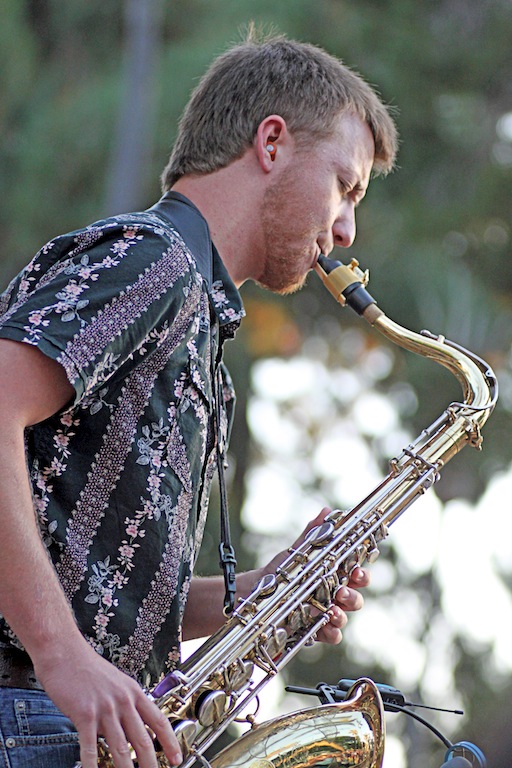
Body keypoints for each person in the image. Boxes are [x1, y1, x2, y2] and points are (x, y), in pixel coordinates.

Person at [0, 30, 398, 768]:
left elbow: (103, 596)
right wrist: (61, 656)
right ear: (271, 143)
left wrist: (267, 593)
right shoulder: (156, 260)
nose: (346, 229)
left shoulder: (199, 324)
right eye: (345, 186)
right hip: (27, 713)